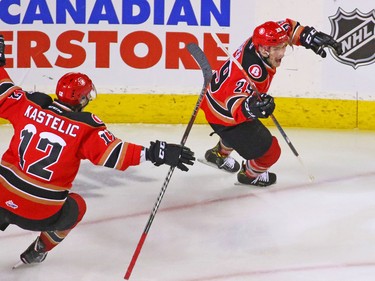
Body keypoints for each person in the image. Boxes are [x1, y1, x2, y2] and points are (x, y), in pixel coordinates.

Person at [0, 35, 195, 267]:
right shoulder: (85, 127)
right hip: (41, 213)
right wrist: (156, 153)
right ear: (82, 99)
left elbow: (3, 89)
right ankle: (40, 248)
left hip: (2, 197)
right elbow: (116, 154)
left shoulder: (27, 105)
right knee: (77, 206)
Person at [200, 19, 342, 186]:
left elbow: (287, 27)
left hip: (213, 97)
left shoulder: (259, 42)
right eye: (277, 49)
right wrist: (251, 108)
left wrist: (308, 36)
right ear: (263, 50)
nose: (282, 53)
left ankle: (219, 153)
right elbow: (235, 107)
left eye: (284, 47)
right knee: (271, 151)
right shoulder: (254, 72)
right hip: (224, 116)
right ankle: (250, 174)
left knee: (245, 125)